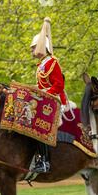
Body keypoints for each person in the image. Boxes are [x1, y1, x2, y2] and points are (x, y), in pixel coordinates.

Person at [29, 17, 67, 173]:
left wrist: (43, 93)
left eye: (33, 47)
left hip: (53, 99)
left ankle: (44, 161)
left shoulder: (52, 62)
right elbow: (41, 85)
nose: (31, 50)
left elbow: (59, 85)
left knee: (40, 125)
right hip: (44, 98)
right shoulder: (42, 64)